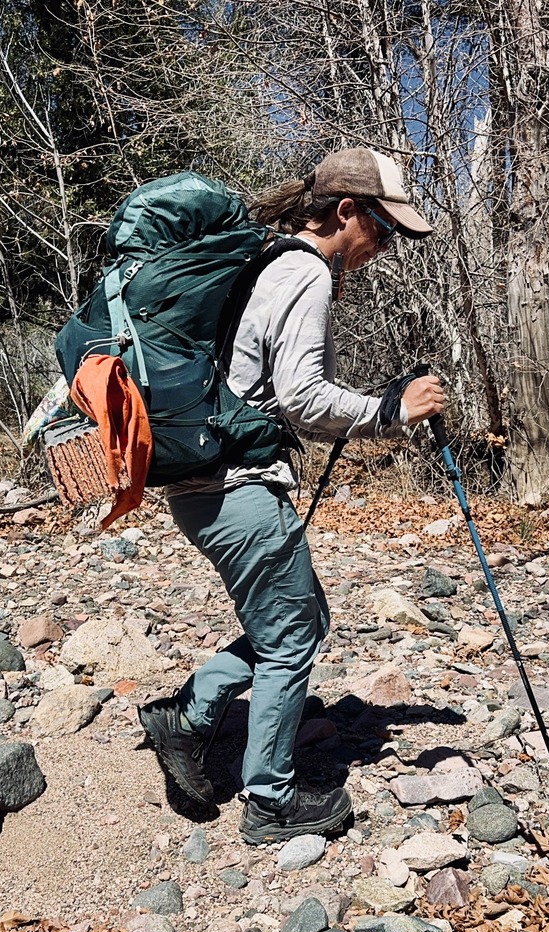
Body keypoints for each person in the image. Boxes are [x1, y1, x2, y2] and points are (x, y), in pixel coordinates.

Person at [138, 148, 447, 845]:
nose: (387, 244)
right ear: (346, 212)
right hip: (238, 486)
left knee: (302, 621)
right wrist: (392, 410)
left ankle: (186, 719)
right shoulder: (304, 269)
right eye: (384, 227)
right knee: (291, 642)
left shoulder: (273, 263)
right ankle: (270, 801)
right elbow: (304, 396)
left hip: (206, 486)